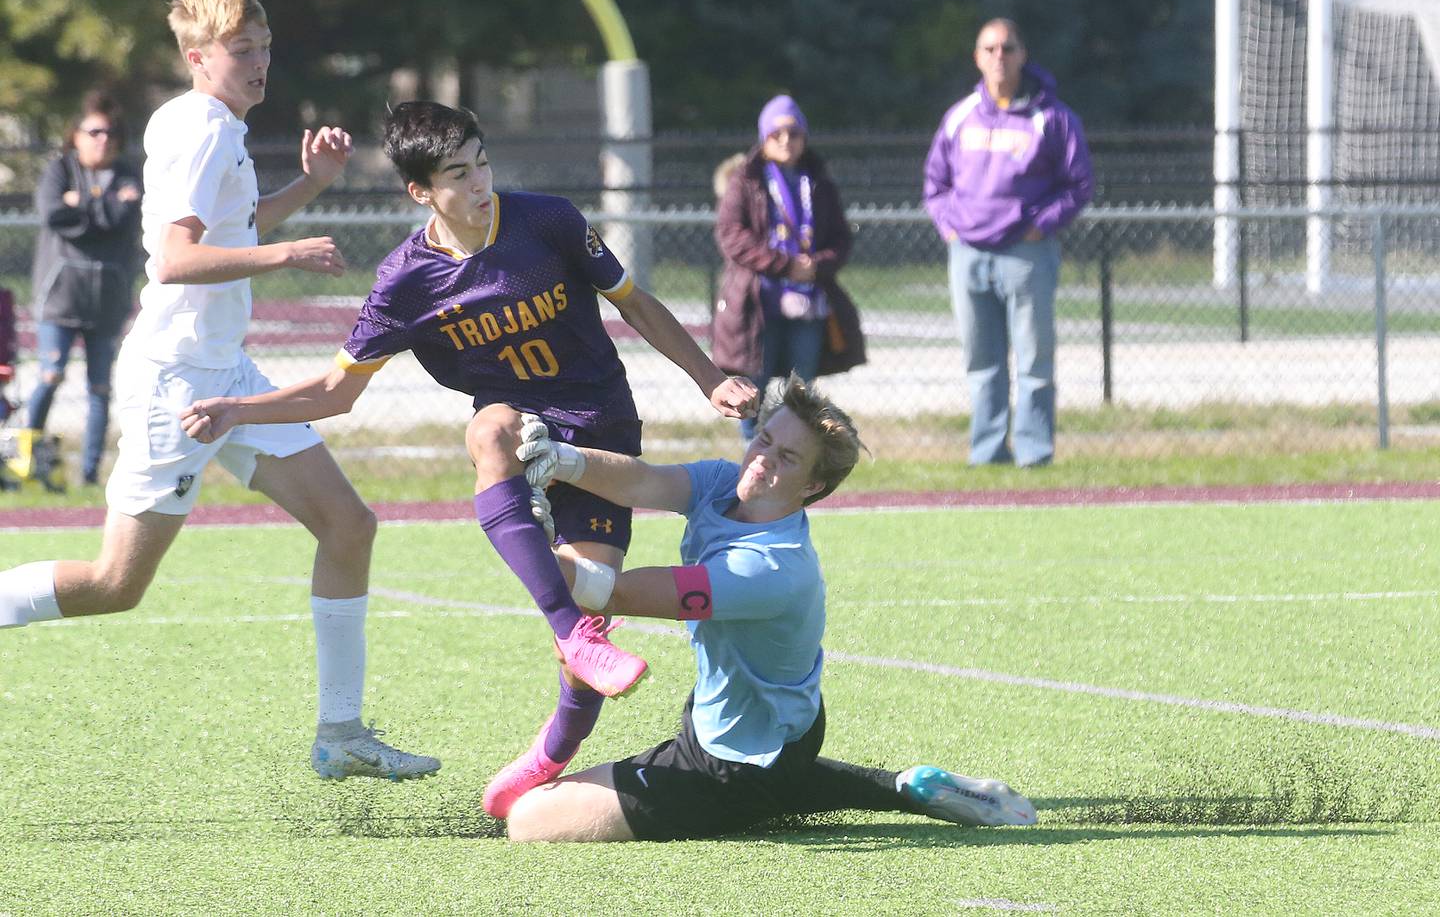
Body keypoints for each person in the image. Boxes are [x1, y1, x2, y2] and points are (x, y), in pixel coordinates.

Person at [176, 100, 759, 816]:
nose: (480, 181)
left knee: (596, 594)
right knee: (489, 431)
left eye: (482, 161)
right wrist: (239, 409)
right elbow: (335, 390)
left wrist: (710, 378)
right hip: (515, 428)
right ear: (420, 190)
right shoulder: (407, 279)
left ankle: (553, 748)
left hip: (601, 429)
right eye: (458, 172)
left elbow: (635, 304)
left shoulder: (548, 220)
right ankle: (572, 632)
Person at [0, 0, 437, 782]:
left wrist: (309, 189)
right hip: (179, 385)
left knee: (348, 525)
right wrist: (288, 254)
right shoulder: (202, 130)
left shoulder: (210, 124)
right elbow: (173, 260)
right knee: (113, 583)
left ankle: (341, 731)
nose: (260, 63)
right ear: (199, 58)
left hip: (224, 372)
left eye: (265, 48)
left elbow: (230, 226)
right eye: (243, 51)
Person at [501, 373, 1037, 840]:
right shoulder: (721, 485)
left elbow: (617, 593)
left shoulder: (768, 569)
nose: (762, 460)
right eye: (763, 440)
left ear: (814, 485)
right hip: (787, 729)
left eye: (787, 458)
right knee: (783, 775)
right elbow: (642, 480)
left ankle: (786, 794)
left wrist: (524, 542)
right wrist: (564, 461)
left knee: (529, 819)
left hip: (728, 762)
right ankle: (904, 788)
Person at [922, 18, 1094, 468]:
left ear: (1023, 55)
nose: (1000, 56)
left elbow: (1078, 185)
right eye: (990, 48)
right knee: (982, 361)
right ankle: (987, 452)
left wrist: (1042, 225)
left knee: (1035, 360)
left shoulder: (1052, 117)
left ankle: (1035, 453)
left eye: (1009, 48)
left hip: (1026, 253)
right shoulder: (960, 116)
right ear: (977, 57)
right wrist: (950, 227)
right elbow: (935, 183)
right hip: (969, 254)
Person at [712, 95, 865, 441]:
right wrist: (785, 266)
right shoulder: (745, 180)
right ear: (763, 137)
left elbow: (840, 238)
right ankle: (752, 458)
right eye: (776, 133)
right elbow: (732, 236)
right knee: (754, 388)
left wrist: (816, 266)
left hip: (808, 304)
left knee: (801, 389)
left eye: (794, 133)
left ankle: (791, 455)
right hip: (758, 305)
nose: (786, 140)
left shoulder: (819, 182)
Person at [26, 91, 144, 485]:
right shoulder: (59, 170)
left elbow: (123, 220)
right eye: (93, 131)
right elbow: (53, 213)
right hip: (61, 297)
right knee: (51, 375)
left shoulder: (129, 173)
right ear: (75, 135)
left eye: (109, 133)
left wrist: (85, 205)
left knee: (99, 387)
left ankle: (90, 474)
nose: (102, 140)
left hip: (107, 301)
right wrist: (105, 205)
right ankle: (28, 457)